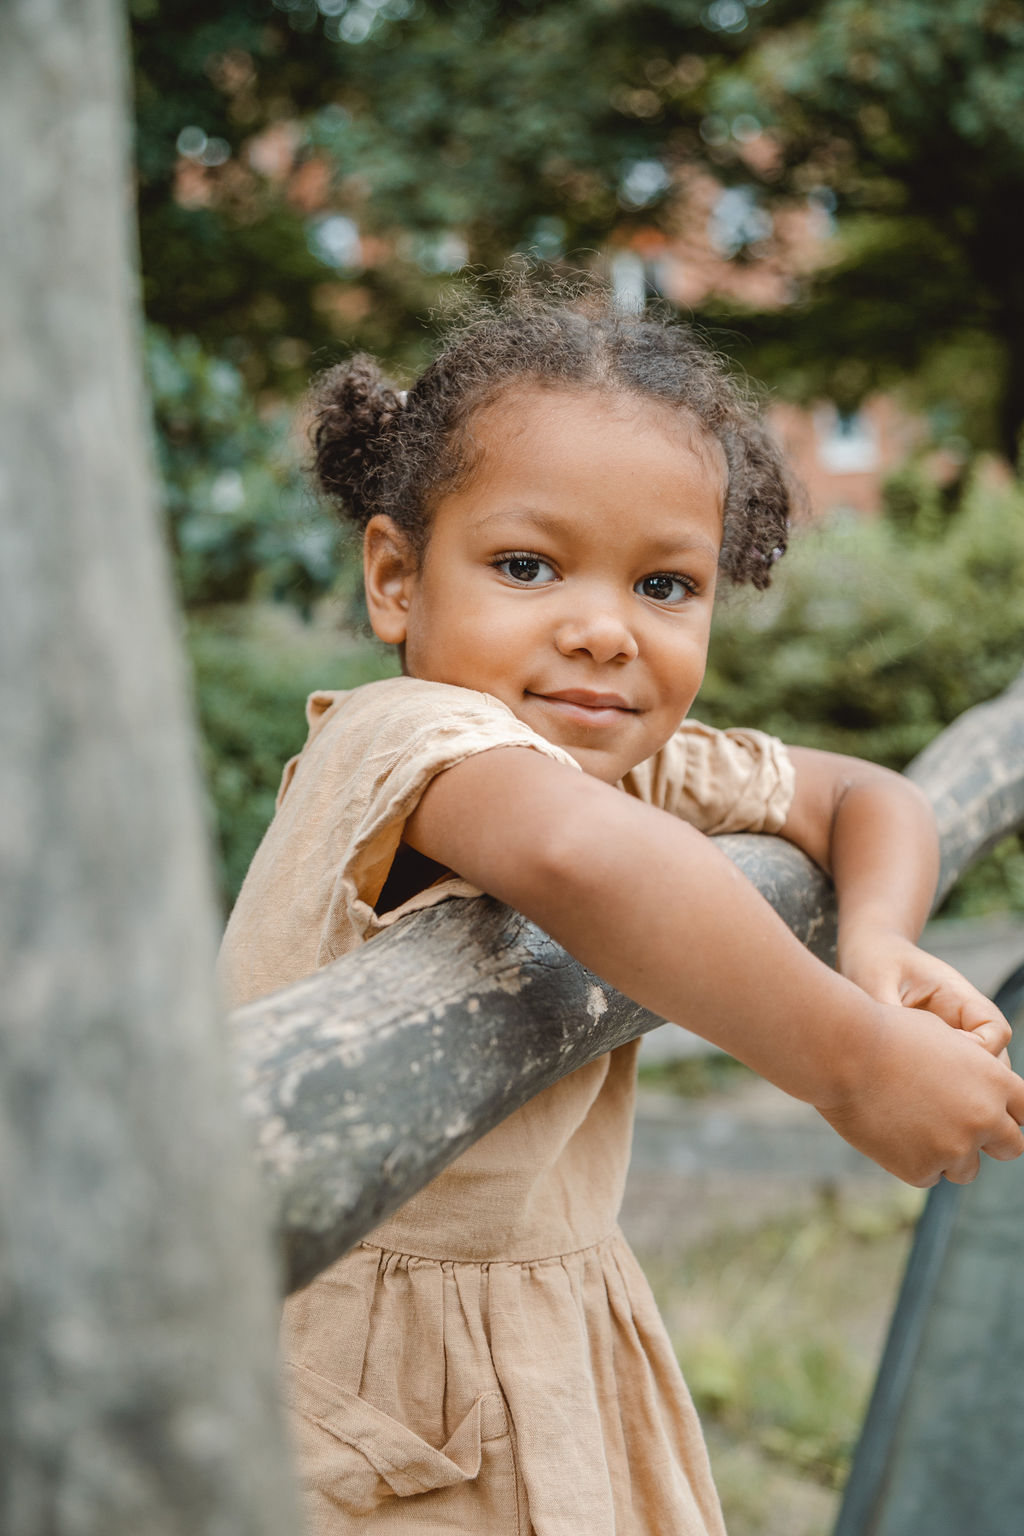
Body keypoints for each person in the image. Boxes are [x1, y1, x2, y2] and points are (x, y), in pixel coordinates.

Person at [219, 286, 1024, 1536]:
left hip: (555, 1345)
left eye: (663, 585)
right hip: (359, 1404)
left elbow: (866, 798)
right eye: (525, 567)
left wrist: (876, 947)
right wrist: (854, 1064)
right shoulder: (408, 735)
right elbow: (578, 857)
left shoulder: (627, 759)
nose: (601, 630)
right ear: (395, 579)